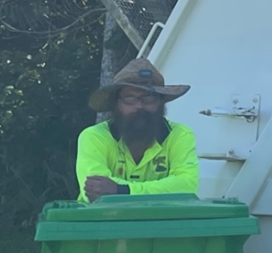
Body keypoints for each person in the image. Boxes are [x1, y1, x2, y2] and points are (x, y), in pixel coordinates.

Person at [76, 59, 200, 201]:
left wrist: (122, 190)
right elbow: (93, 191)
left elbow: (187, 187)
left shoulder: (179, 135)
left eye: (148, 98)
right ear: (116, 103)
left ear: (161, 101)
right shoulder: (94, 136)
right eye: (130, 98)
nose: (139, 106)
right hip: (103, 221)